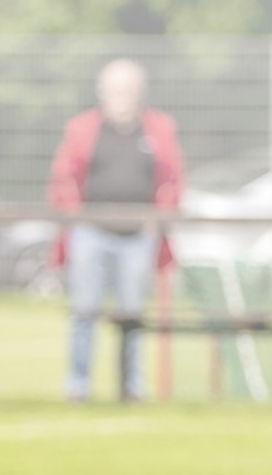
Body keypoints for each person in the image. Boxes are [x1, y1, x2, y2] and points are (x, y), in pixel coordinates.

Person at [48, 58, 184, 403]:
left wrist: (159, 218)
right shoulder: (81, 129)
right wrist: (74, 215)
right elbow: (63, 179)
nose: (120, 96)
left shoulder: (159, 129)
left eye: (127, 89)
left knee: (132, 315)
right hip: (90, 233)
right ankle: (77, 386)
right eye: (114, 89)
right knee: (84, 311)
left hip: (139, 236)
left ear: (140, 92)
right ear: (101, 92)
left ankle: (131, 386)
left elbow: (173, 179)